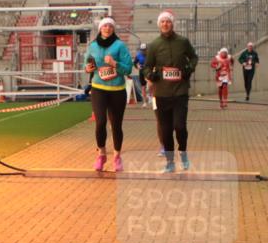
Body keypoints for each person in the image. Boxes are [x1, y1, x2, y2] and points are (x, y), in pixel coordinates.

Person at [143, 11, 199, 173]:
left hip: (180, 91)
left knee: (179, 126)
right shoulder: (154, 45)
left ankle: (183, 152)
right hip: (161, 93)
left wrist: (189, 69)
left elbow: (194, 57)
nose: (165, 24)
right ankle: (169, 162)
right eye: (162, 22)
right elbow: (146, 66)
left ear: (172, 24)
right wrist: (150, 75)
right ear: (159, 25)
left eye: (168, 22)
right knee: (166, 130)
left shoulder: (182, 42)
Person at [84, 17, 134, 172]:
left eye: (110, 26)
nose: (107, 28)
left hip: (117, 91)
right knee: (100, 123)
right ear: (100, 28)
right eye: (104, 26)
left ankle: (117, 157)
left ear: (113, 29)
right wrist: (88, 68)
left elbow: (128, 69)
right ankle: (102, 154)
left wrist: (114, 64)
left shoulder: (119, 46)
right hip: (99, 89)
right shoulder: (92, 46)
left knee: (116, 126)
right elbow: (86, 64)